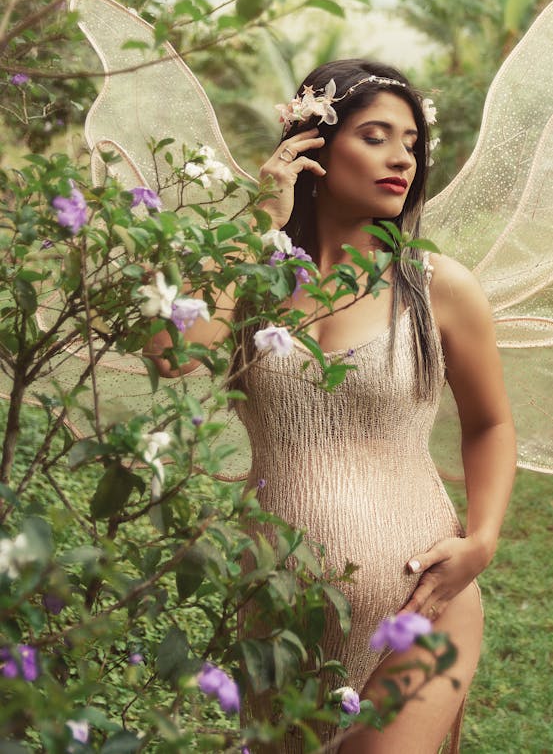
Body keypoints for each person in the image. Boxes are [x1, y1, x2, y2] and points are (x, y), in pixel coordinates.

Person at [148, 59, 517, 754]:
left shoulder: (438, 286)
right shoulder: (251, 279)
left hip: (420, 608)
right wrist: (259, 218)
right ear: (312, 145)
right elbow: (173, 353)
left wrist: (483, 539)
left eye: (411, 141)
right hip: (277, 610)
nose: (401, 157)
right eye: (376, 135)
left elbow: (491, 421)